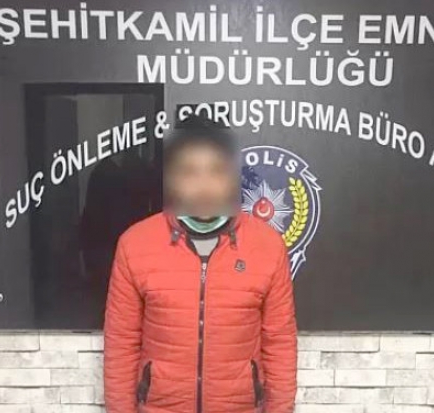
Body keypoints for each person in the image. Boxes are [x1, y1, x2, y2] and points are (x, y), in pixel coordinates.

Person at [103, 114, 298, 413]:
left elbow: (279, 344)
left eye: (217, 170)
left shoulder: (268, 247)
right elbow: (121, 343)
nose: (204, 185)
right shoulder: (135, 244)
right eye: (190, 171)